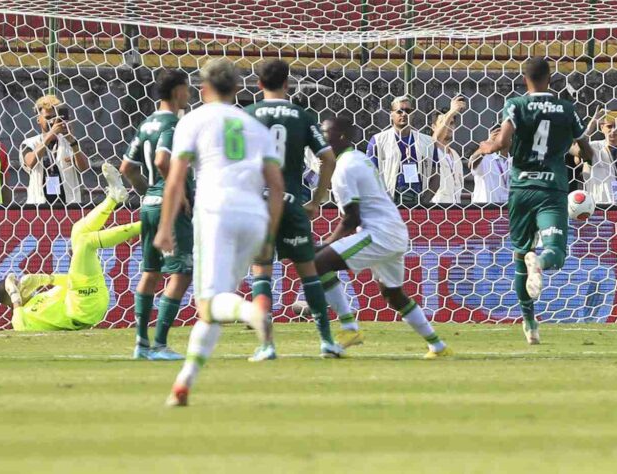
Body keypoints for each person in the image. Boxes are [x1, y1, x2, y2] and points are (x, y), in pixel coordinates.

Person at [154, 59, 285, 407]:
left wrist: (165, 228)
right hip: (254, 214)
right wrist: (268, 237)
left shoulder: (193, 120)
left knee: (210, 303)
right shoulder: (253, 124)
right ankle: (183, 383)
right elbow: (276, 184)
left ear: (204, 87)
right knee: (213, 308)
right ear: (238, 88)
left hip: (216, 212)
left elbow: (175, 178)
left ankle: (254, 312)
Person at [310, 117, 451, 359]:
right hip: (394, 231)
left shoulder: (344, 168)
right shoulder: (359, 158)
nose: (320, 139)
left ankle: (349, 328)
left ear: (341, 137)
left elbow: (351, 219)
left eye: (325, 133)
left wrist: (326, 244)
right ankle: (437, 345)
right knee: (393, 294)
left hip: (379, 234)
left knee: (319, 263)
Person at [478, 57, 593, 345]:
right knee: (556, 251)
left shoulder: (515, 104)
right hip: (551, 189)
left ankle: (530, 322)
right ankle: (540, 261)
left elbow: (502, 143)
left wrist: (487, 146)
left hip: (521, 188)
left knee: (519, 255)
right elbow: (586, 150)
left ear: (524, 78)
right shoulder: (566, 109)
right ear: (550, 78)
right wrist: (581, 153)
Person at [244, 59, 343, 361]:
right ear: (288, 83)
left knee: (262, 272)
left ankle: (267, 345)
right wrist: (316, 199)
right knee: (308, 272)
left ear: (259, 84)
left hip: (260, 204)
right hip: (291, 201)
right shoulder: (302, 115)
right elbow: (328, 158)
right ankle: (327, 341)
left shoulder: (246, 116)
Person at [0, 164, 139, 330]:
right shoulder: (22, 315)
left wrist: (44, 279)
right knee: (85, 243)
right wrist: (15, 296)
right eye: (18, 285)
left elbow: (70, 282)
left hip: (88, 297)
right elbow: (19, 328)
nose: (22, 284)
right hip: (82, 311)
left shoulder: (41, 296)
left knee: (78, 231)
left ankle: (114, 198)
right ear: (11, 297)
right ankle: (147, 225)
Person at [120, 70, 192, 361]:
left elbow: (127, 167)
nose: (189, 94)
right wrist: (178, 194)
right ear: (177, 92)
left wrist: (146, 192)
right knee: (182, 272)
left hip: (148, 203)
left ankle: (141, 343)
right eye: (187, 89)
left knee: (150, 272)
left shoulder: (146, 123)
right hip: (168, 206)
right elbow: (162, 160)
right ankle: (160, 344)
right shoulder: (174, 123)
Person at [366, 96, 437, 206]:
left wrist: (423, 202)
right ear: (391, 114)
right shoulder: (378, 141)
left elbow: (436, 174)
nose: (404, 114)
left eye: (408, 111)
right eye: (399, 111)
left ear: (413, 113)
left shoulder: (427, 142)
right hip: (388, 202)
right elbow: (371, 175)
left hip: (418, 200)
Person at [19, 96, 90, 205]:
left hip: (69, 205)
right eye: (48, 117)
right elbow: (30, 163)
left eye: (55, 117)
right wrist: (49, 136)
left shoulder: (69, 142)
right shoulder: (29, 143)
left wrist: (72, 140)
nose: (52, 121)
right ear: (38, 119)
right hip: (38, 205)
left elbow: (84, 168)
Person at [570, 107, 617, 204]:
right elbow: (573, 147)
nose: (614, 130)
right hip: (599, 209)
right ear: (601, 128)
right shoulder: (593, 148)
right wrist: (593, 123)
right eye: (609, 126)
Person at [430, 99, 466, 204]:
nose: (448, 127)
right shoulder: (429, 149)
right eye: (443, 122)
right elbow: (435, 140)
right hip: (436, 212)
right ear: (433, 127)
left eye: (451, 123)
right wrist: (452, 112)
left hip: (455, 212)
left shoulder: (455, 156)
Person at [470, 125, 511, 204]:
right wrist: (487, 144)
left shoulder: (514, 162)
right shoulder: (485, 159)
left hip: (506, 211)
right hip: (485, 212)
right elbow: (471, 163)